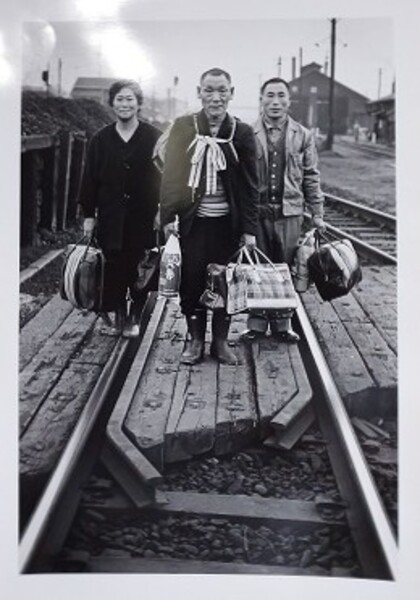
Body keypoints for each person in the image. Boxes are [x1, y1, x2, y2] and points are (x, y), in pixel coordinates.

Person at [160, 67, 259, 365]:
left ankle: (220, 342)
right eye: (209, 90)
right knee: (192, 280)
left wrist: (249, 229)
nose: (216, 98)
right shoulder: (184, 127)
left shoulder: (241, 133)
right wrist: (168, 217)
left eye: (222, 91)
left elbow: (250, 186)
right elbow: (171, 176)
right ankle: (194, 342)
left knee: (225, 281)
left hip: (227, 225)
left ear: (231, 93)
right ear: (199, 93)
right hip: (194, 223)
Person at [243, 77, 326, 342]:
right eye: (270, 95)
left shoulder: (302, 135)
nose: (275, 102)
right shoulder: (247, 133)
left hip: (290, 213)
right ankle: (256, 324)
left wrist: (317, 213)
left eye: (281, 96)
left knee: (285, 267)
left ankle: (282, 324)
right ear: (261, 100)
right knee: (257, 269)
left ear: (289, 101)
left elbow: (311, 176)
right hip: (258, 213)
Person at [78, 79, 161, 337]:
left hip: (143, 214)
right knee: (112, 267)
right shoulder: (101, 139)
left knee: (140, 267)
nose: (125, 104)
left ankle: (135, 316)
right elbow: (89, 179)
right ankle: (119, 316)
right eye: (120, 99)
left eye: (130, 99)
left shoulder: (154, 137)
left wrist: (163, 210)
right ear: (112, 103)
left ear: (138, 103)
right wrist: (89, 215)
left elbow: (166, 177)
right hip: (111, 215)